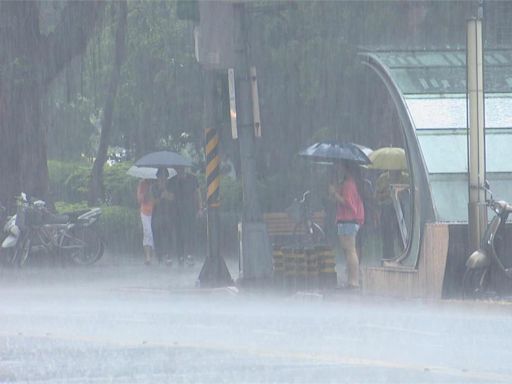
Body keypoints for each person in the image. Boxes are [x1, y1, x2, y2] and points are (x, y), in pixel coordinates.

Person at [328, 161, 365, 289]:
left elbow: (348, 203)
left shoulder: (349, 185)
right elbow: (336, 200)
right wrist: (334, 192)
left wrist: (335, 194)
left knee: (350, 250)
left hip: (349, 220)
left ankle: (354, 280)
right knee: (347, 250)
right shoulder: (345, 184)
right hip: (344, 220)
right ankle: (351, 278)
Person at [168, 166, 203, 266]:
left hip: (190, 210)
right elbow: (170, 196)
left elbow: (198, 193)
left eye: (181, 168)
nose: (180, 170)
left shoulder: (192, 179)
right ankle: (180, 256)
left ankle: (190, 255)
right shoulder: (172, 181)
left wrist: (200, 208)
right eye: (178, 169)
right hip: (177, 211)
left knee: (191, 233)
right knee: (179, 234)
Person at [375, 170, 409, 260]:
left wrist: (401, 191)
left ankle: (405, 253)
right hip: (386, 207)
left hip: (400, 208)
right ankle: (388, 256)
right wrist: (388, 194)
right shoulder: (383, 178)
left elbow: (412, 191)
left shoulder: (406, 177)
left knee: (401, 233)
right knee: (387, 233)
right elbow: (377, 196)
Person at [151, 167, 176, 264]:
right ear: (157, 177)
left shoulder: (171, 185)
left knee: (168, 234)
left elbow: (173, 198)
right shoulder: (153, 187)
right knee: (157, 235)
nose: (162, 179)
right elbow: (153, 201)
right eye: (160, 177)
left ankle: (168, 255)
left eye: (164, 177)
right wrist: (161, 195)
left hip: (168, 214)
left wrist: (166, 192)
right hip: (157, 215)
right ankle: (159, 255)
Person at [137, 178, 155, 265]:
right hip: (145, 212)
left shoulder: (157, 182)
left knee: (153, 233)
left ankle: (152, 255)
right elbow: (139, 199)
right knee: (148, 232)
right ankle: (148, 256)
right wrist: (147, 191)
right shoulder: (142, 183)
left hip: (155, 212)